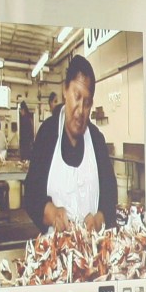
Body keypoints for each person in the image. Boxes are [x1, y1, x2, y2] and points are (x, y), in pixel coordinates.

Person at [23, 54, 117, 235]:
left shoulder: (96, 140)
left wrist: (99, 219)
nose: (81, 110)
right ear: (65, 91)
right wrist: (52, 213)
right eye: (77, 96)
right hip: (55, 253)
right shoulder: (47, 134)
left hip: (92, 253)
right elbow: (31, 194)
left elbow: (110, 192)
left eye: (87, 102)